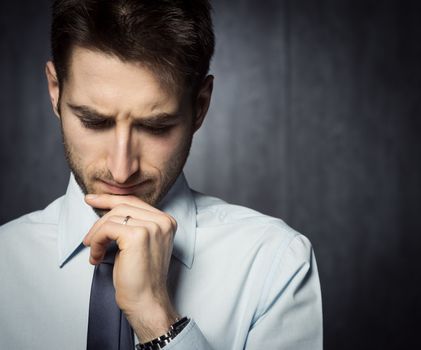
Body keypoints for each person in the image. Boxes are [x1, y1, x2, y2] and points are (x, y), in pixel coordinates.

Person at [0, 1, 323, 349]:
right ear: (54, 90)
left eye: (155, 127)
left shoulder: (274, 264)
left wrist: (155, 318)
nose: (121, 170)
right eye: (94, 121)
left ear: (199, 107)